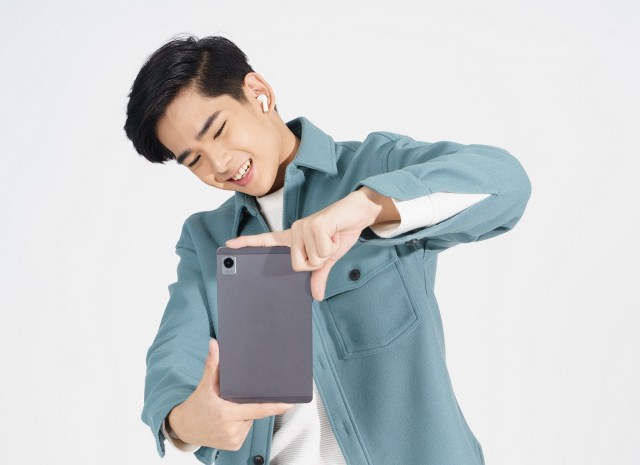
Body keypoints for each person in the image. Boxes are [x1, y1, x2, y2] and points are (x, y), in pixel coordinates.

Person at [124, 35, 531, 465]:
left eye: (219, 131)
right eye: (194, 160)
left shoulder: (374, 167)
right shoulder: (207, 238)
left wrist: (367, 207)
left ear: (258, 93)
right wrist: (187, 423)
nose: (219, 164)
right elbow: (172, 355)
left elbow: (505, 183)